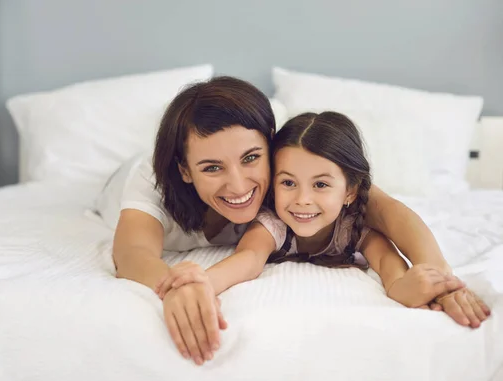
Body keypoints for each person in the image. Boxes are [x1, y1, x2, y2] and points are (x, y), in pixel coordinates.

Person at [112, 77, 466, 366]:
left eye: (251, 157)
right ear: (186, 170)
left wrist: (439, 278)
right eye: (212, 167)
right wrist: (179, 287)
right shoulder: (151, 182)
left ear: (270, 145)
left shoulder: (290, 174)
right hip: (114, 186)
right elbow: (132, 252)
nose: (238, 185)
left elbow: (388, 211)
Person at [156, 111, 490, 336]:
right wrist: (202, 281)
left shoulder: (358, 228)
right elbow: (247, 260)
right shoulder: (272, 223)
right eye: (288, 183)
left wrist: (429, 285)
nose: (302, 200)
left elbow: (391, 269)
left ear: (350, 191)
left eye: (320, 185)